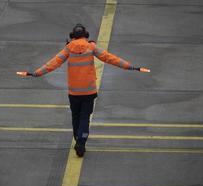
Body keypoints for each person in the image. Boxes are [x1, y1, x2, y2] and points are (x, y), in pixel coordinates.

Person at [24, 24, 144, 157]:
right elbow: (110, 58)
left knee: (75, 116)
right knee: (85, 117)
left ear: (72, 36)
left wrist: (36, 73)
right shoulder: (91, 47)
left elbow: (53, 63)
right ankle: (81, 141)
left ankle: (77, 136)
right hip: (89, 92)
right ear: (85, 35)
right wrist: (130, 67)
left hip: (74, 92)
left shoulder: (68, 49)